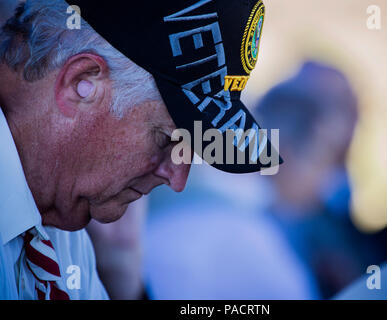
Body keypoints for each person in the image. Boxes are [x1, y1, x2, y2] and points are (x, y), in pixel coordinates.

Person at [0, 0, 278, 299]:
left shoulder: (56, 223)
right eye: (166, 139)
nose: (176, 180)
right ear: (80, 82)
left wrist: (123, 275)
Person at [257, 61, 387, 299]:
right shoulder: (255, 230)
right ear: (284, 153)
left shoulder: (326, 209)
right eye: (320, 159)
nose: (323, 178)